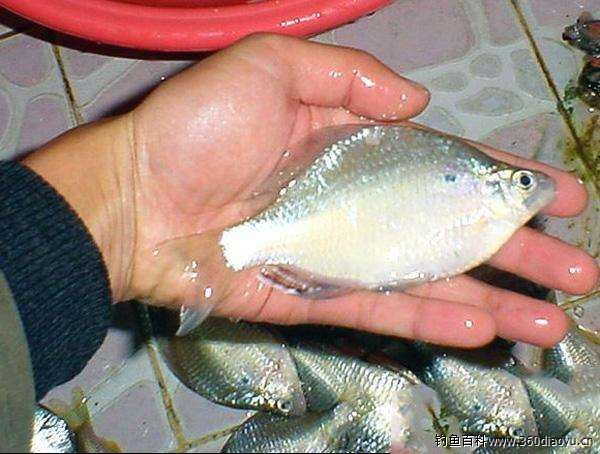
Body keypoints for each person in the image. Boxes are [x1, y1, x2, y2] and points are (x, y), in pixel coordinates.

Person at [1, 34, 597, 450]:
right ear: (491, 182)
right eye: (520, 183)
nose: (529, 188)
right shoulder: (475, 196)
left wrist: (115, 220)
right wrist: (121, 214)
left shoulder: (477, 206)